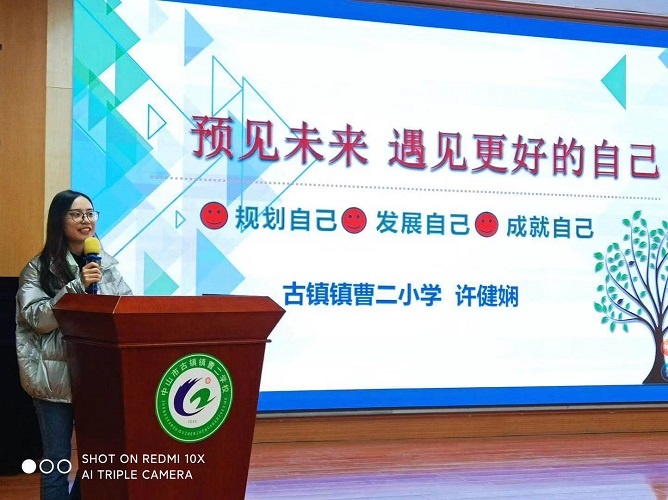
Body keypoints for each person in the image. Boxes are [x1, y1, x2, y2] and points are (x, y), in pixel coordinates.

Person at [15, 190, 132, 499]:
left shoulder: (107, 267)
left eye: (90, 213)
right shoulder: (38, 269)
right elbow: (37, 319)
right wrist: (77, 286)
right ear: (59, 220)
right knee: (57, 462)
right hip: (54, 379)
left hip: (95, 376)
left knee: (98, 458)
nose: (86, 220)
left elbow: (127, 309)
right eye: (77, 214)